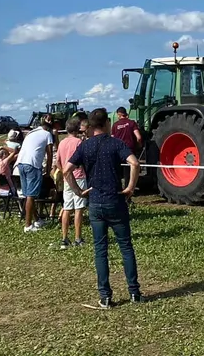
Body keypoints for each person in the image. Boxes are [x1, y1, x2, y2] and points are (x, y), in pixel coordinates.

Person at [63, 107, 143, 308]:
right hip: (115, 200)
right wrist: (130, 188)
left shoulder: (85, 146)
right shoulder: (116, 143)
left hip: (96, 203)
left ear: (90, 126)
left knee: (100, 250)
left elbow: (66, 170)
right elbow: (134, 163)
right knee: (125, 247)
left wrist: (79, 192)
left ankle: (105, 296)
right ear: (107, 123)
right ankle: (134, 293)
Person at [16, 115, 56, 232]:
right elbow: (49, 154)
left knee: (28, 194)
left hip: (21, 163)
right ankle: (28, 225)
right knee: (31, 196)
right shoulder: (47, 134)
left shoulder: (31, 132)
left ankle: (37, 219)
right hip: (32, 165)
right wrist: (48, 171)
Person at [56, 116, 87, 249]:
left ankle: (64, 238)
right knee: (79, 208)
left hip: (66, 178)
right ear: (78, 129)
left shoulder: (62, 143)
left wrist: (64, 171)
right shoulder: (79, 142)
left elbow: (57, 161)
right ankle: (78, 238)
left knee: (67, 208)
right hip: (78, 177)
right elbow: (84, 160)